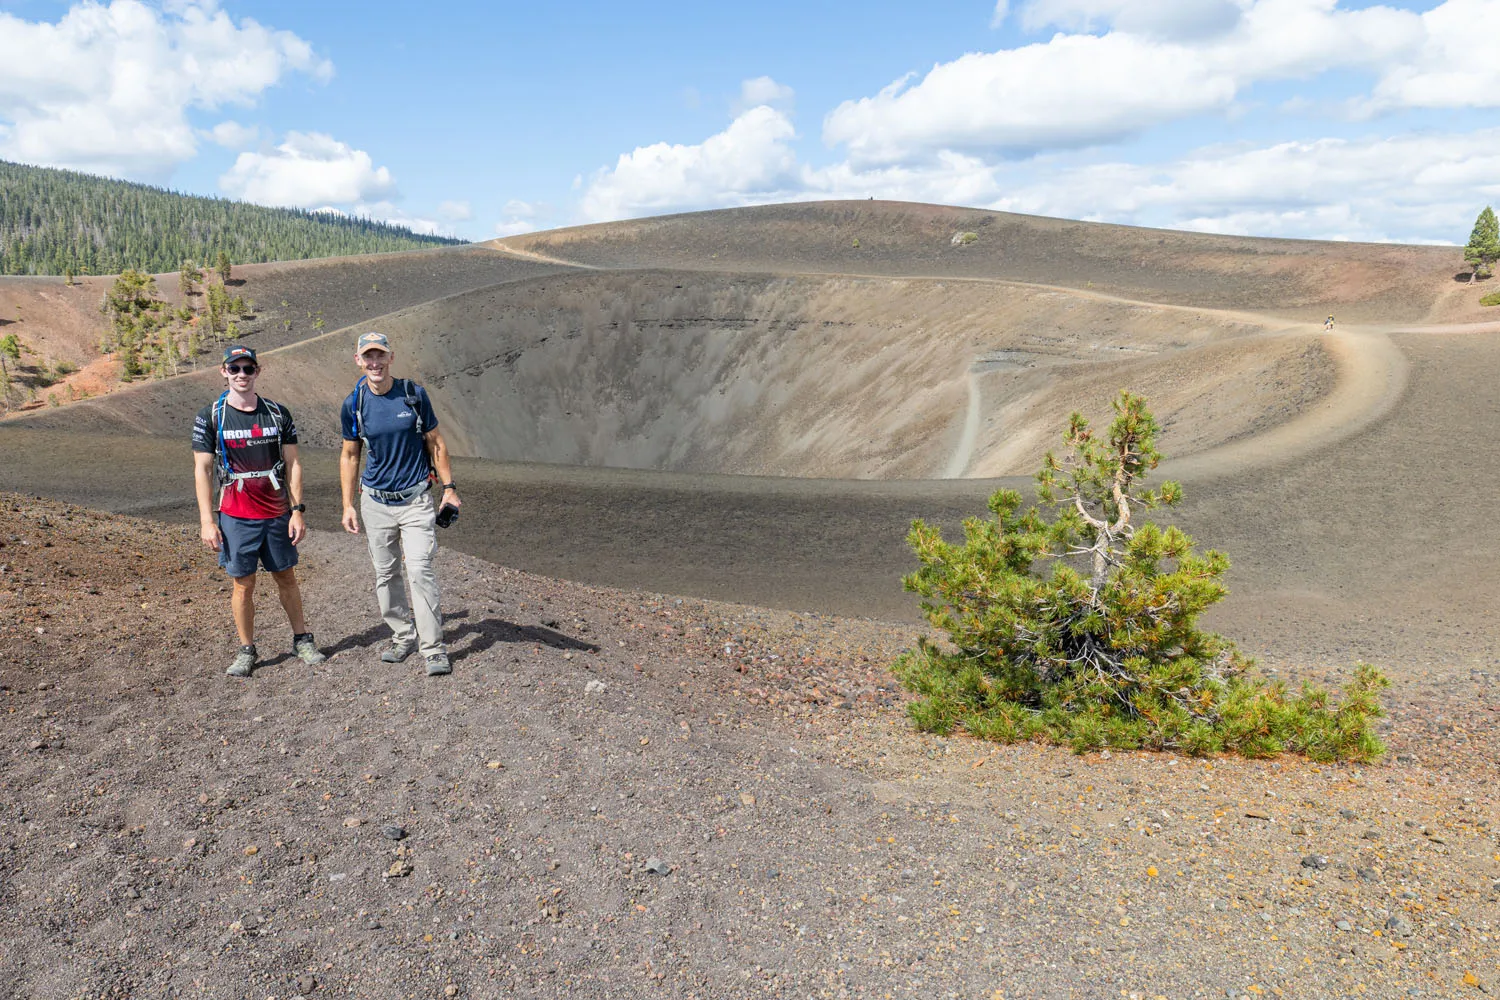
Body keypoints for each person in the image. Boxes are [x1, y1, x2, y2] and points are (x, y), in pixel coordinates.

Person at [192, 345, 326, 677]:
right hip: (235, 514)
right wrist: (207, 520)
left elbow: (293, 463)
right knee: (243, 583)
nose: (241, 375)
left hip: (276, 511)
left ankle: (302, 639)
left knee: (286, 576)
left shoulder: (277, 413)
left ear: (257, 372)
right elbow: (203, 470)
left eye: (247, 369)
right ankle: (246, 649)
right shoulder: (210, 416)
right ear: (223, 371)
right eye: (234, 368)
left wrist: (297, 511)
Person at [339, 331, 461, 676]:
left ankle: (433, 647)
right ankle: (402, 635)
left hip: (415, 499)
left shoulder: (413, 395)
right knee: (386, 572)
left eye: (380, 356)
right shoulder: (354, 403)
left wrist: (449, 487)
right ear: (358, 361)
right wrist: (348, 504)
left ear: (391, 358)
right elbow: (350, 455)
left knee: (420, 568)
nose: (374, 363)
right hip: (375, 502)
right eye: (368, 357)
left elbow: (436, 443)